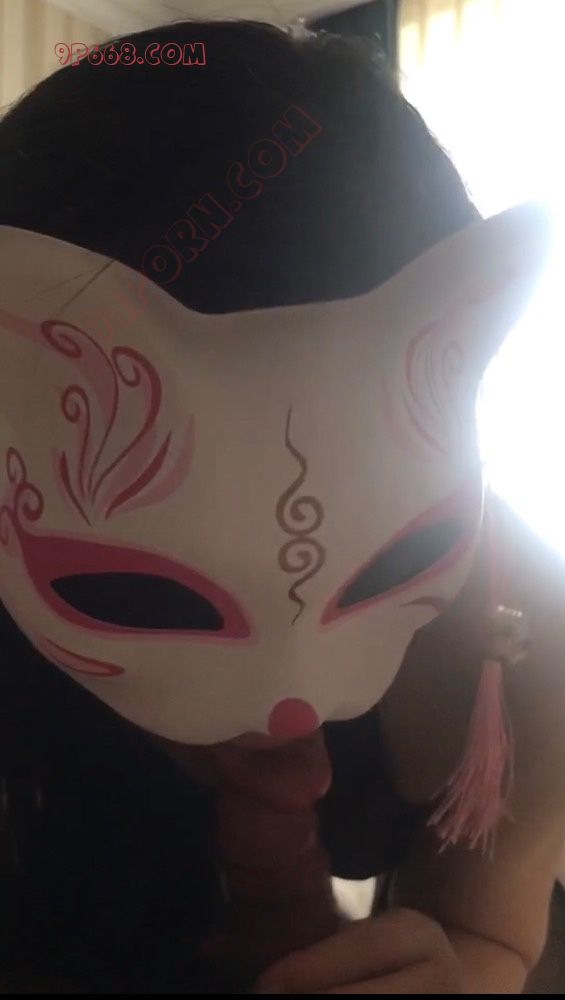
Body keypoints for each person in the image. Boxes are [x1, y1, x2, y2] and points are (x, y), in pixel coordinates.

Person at [0, 19, 563, 995]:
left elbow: (486, 930)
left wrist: (452, 973)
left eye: (387, 561)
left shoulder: (523, 632)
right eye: (142, 589)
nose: (289, 707)